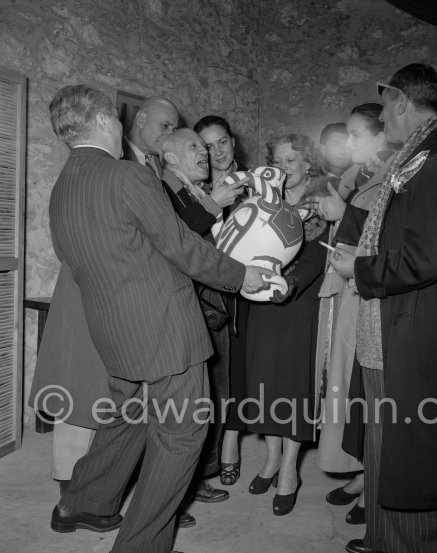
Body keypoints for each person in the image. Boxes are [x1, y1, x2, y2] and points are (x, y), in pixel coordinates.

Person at [45, 84, 272, 553]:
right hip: (164, 327)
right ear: (107, 123)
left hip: (112, 328)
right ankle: (140, 545)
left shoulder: (64, 183)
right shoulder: (127, 176)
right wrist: (240, 274)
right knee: (184, 433)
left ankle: (82, 502)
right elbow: (180, 246)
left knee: (130, 416)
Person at [329, 64, 437, 553]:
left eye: (385, 105)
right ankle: (382, 538)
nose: (382, 118)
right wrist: (362, 256)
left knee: (417, 458)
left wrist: (364, 269)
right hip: (389, 327)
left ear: (399, 99)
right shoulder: (416, 154)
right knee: (385, 445)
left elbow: (427, 256)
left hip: (418, 334)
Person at [28, 95, 180, 496]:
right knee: (88, 390)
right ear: (105, 122)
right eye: (116, 118)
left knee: (99, 394)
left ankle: (91, 488)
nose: (119, 125)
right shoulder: (114, 170)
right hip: (102, 291)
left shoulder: (80, 172)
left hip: (95, 288)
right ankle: (80, 492)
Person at [310, 104, 395, 526]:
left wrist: (343, 215)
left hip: (371, 297)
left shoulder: (394, 175)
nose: (349, 142)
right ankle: (363, 473)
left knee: (365, 391)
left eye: (357, 134)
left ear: (381, 137)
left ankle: (376, 486)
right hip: (347, 291)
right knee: (345, 386)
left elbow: (386, 240)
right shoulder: (356, 175)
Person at [246, 133, 328, 516]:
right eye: (277, 161)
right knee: (266, 381)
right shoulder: (266, 198)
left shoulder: (321, 199)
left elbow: (317, 257)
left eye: (291, 160)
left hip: (299, 300)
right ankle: (271, 457)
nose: (283, 168)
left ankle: (290, 471)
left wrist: (289, 284)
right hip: (262, 301)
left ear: (308, 163)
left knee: (293, 384)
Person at [194, 115, 250, 486]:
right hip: (210, 295)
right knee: (212, 377)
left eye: (222, 143)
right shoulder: (193, 187)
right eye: (207, 146)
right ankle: (207, 459)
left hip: (248, 290)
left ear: (233, 141)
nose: (216, 152)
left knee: (243, 373)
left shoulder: (256, 181)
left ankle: (231, 442)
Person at [123, 96, 180, 177]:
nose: (171, 135)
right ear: (141, 120)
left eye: (174, 130)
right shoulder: (116, 157)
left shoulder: (168, 165)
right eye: (165, 125)